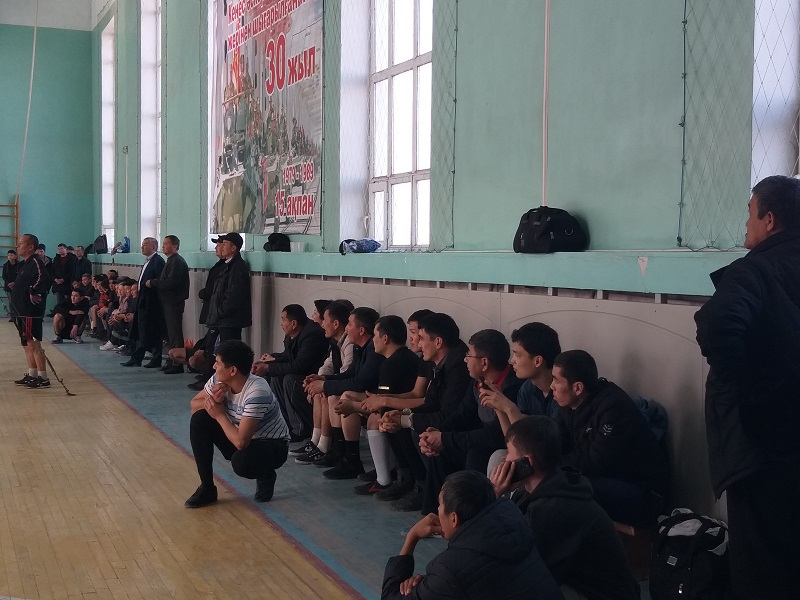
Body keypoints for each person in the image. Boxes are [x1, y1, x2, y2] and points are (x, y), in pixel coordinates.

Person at [694, 174, 800, 600]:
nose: (745, 222)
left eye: (749, 212)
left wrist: (751, 390)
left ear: (769, 219)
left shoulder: (754, 270)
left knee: (761, 564)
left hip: (762, 447)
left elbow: (717, 327)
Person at [492, 416, 639, 600]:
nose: (505, 459)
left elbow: (525, 568)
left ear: (527, 461)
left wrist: (494, 495)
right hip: (577, 581)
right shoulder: (547, 486)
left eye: (509, 453)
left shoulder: (554, 508)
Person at [381, 470, 562, 600]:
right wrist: (431, 586)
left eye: (440, 505)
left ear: (454, 519)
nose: (436, 511)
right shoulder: (517, 523)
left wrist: (412, 536)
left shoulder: (450, 568)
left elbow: (390, 597)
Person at [550, 350, 668, 526]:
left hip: (641, 492)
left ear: (578, 388)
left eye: (556, 380)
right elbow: (555, 441)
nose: (551, 386)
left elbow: (595, 462)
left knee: (567, 485)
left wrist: (551, 465)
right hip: (607, 480)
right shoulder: (569, 405)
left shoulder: (613, 406)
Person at [417, 329, 524, 514]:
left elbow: (496, 435)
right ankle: (434, 515)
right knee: (441, 452)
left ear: (484, 363)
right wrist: (437, 433)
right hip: (483, 438)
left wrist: (445, 438)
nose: (465, 360)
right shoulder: (477, 382)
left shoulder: (512, 387)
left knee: (475, 451)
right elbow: (462, 414)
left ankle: (468, 516)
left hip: (499, 445)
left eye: (469, 355)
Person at [380, 312, 472, 512]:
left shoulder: (458, 365)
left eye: (421, 338)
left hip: (466, 430)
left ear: (438, 342)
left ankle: (439, 498)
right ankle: (428, 491)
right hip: (451, 424)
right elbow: (431, 403)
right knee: (416, 428)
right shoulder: (440, 362)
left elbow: (449, 415)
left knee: (422, 432)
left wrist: (406, 420)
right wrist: (403, 414)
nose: (419, 344)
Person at [186, 340, 290, 508]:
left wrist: (219, 414)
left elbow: (241, 442)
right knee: (200, 419)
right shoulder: (218, 379)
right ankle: (207, 488)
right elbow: (194, 405)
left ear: (233, 370)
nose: (213, 367)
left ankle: (266, 474)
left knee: (242, 462)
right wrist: (213, 400)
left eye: (218, 363)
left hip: (270, 445)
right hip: (240, 435)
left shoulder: (257, 392)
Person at [252, 304, 328, 442]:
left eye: (283, 319)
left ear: (293, 323)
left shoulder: (312, 335)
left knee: (290, 380)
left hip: (314, 375)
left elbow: (300, 365)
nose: (281, 324)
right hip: (302, 372)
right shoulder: (292, 334)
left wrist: (268, 368)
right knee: (277, 376)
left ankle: (301, 429)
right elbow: (288, 356)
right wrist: (270, 362)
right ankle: (286, 424)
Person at [11, 234, 52, 389]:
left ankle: (43, 377)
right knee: (26, 344)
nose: (18, 246)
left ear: (30, 247)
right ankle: (32, 374)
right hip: (20, 311)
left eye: (21, 243)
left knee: (34, 344)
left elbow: (43, 279)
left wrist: (33, 291)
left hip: (30, 311)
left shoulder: (36, 262)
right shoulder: (24, 264)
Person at [121, 237, 165, 368]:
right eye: (142, 244)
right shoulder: (148, 261)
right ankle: (137, 357)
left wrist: (149, 284)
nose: (142, 247)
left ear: (154, 247)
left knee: (152, 330)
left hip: (151, 302)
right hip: (143, 300)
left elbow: (160, 280)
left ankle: (154, 358)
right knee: (141, 330)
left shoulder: (158, 261)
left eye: (145, 245)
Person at [150, 235, 190, 374]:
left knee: (175, 333)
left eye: (166, 244)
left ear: (174, 246)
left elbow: (170, 282)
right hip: (168, 302)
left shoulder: (177, 262)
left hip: (174, 302)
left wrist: (153, 282)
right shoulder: (171, 261)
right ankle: (171, 359)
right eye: (163, 243)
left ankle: (177, 363)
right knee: (169, 334)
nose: (163, 246)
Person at [205, 232, 251, 343]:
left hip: (230, 321)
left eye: (225, 244)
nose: (222, 247)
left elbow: (234, 296)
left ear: (233, 248)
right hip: (225, 320)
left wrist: (219, 312)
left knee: (228, 350)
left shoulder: (237, 267)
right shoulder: (228, 265)